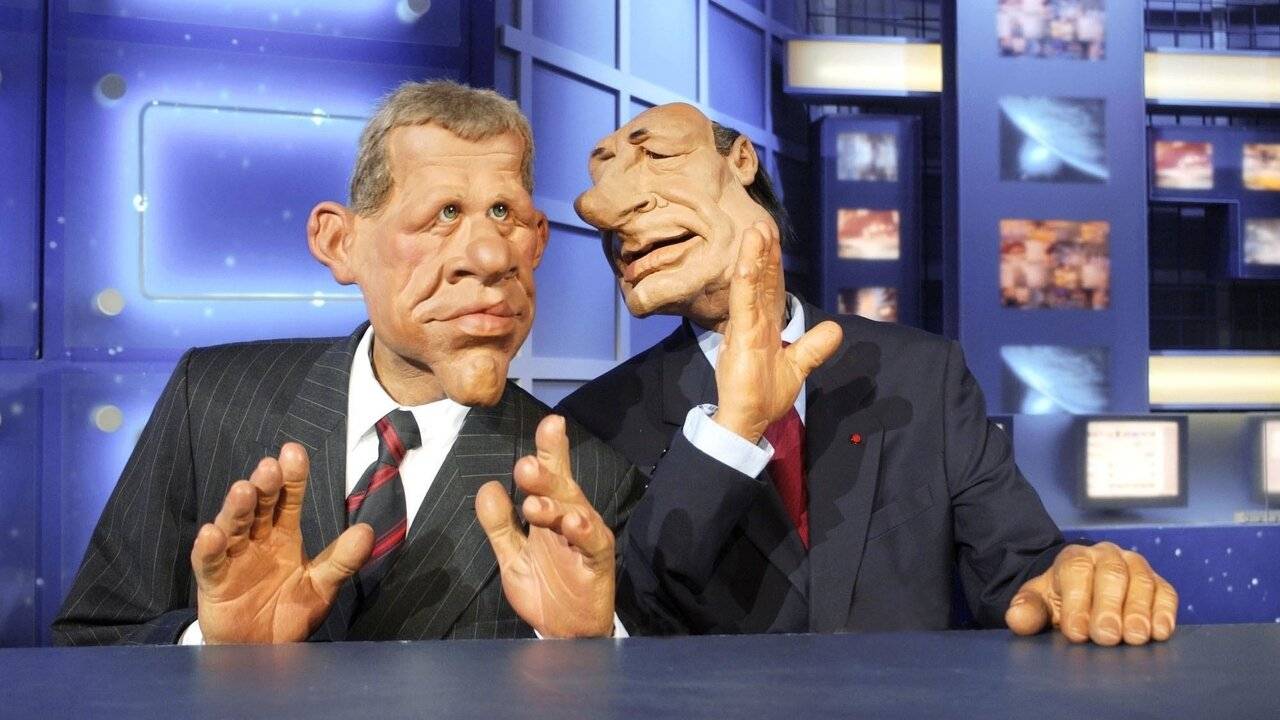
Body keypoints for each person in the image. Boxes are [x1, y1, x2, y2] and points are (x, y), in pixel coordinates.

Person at [562, 102, 1178, 646]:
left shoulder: (923, 376)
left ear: (741, 160)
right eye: (602, 189)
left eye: (658, 157)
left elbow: (1020, 571)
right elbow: (629, 616)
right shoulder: (590, 427)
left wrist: (1078, 579)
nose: (607, 211)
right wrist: (729, 435)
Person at [52, 80, 637, 645]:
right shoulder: (209, 402)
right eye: (445, 213)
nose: (490, 256)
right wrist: (209, 644)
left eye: (504, 212)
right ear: (340, 242)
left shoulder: (591, 487)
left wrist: (585, 648)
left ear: (538, 242)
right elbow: (95, 641)